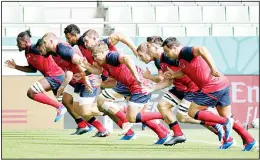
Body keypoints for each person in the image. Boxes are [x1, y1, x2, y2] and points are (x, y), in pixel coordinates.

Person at [161, 37, 257, 151]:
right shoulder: (182, 59)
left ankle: (224, 123)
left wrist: (212, 68)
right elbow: (185, 71)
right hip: (222, 84)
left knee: (193, 112)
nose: (166, 55)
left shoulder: (185, 51)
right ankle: (249, 140)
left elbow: (202, 49)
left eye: (167, 51)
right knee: (228, 116)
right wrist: (174, 75)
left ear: (175, 48)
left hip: (212, 86)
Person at [87, 41, 172, 144]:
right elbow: (113, 82)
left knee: (134, 116)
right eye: (93, 56)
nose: (95, 58)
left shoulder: (110, 56)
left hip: (138, 86)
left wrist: (136, 77)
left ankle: (163, 117)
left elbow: (127, 58)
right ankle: (163, 134)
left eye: (96, 56)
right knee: (137, 115)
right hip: (126, 86)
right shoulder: (105, 63)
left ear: (103, 52)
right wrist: (101, 83)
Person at [36, 33, 109, 137]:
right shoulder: (54, 54)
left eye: (44, 43)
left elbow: (79, 61)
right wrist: (63, 86)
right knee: (68, 102)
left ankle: (113, 110)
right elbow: (69, 70)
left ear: (51, 42)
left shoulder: (62, 49)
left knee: (84, 110)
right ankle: (98, 129)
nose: (42, 46)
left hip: (87, 79)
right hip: (77, 80)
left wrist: (86, 79)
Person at [5, 30, 67, 122]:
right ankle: (86, 124)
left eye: (18, 42)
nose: (17, 45)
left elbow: (52, 51)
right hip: (54, 77)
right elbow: (32, 69)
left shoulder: (35, 48)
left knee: (32, 92)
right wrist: (15, 66)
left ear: (25, 42)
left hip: (55, 76)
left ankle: (59, 107)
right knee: (68, 105)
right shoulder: (27, 53)